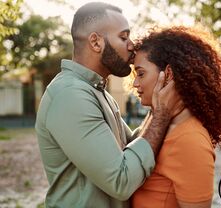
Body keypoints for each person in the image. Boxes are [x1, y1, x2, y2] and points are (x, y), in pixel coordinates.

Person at [35, 2, 181, 208]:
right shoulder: (70, 95)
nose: (132, 45)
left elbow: (132, 147)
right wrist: (161, 116)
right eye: (124, 37)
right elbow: (121, 181)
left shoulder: (95, 91)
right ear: (95, 42)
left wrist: (159, 105)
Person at [131, 26, 221, 208]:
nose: (135, 83)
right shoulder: (161, 127)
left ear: (169, 74)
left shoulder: (189, 139)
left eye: (140, 73)